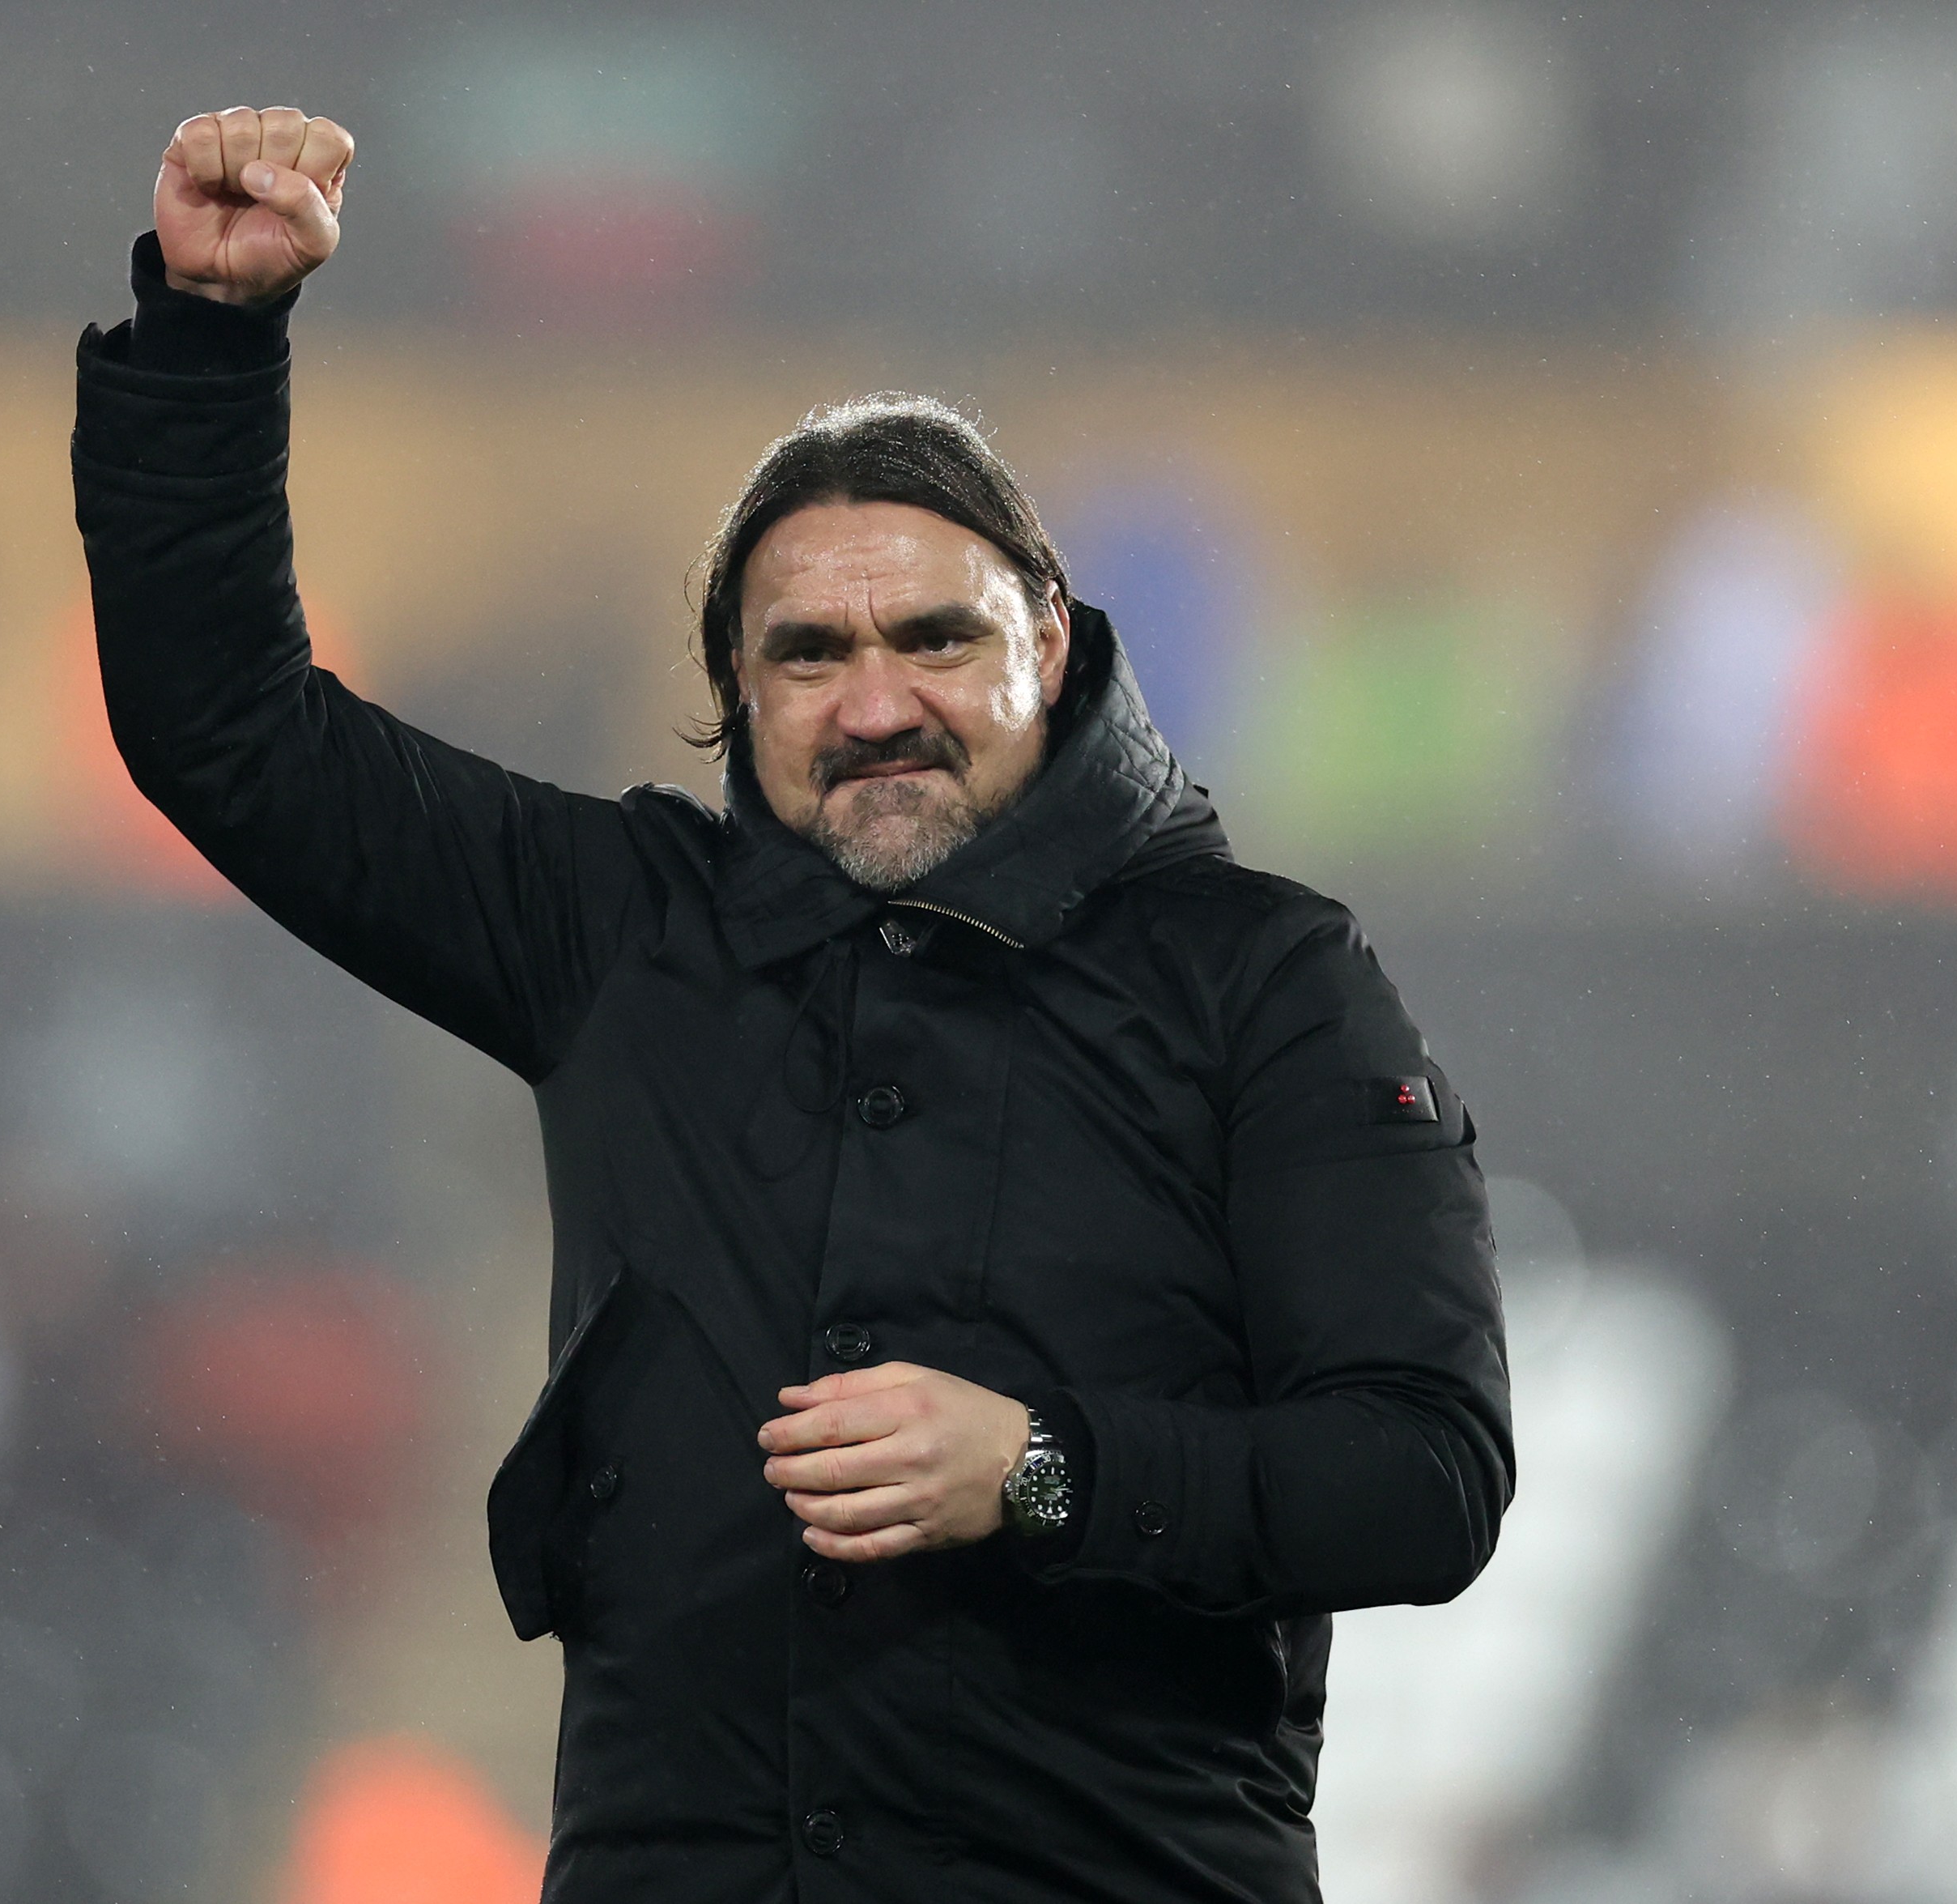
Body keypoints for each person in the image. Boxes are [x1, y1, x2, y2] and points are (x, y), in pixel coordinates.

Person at [73, 105, 1512, 1904]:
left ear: (1051, 646)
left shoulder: (1268, 981)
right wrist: (209, 342)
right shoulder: (620, 937)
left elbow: (1426, 1473)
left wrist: (1048, 1471)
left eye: (937, 640)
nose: (875, 701)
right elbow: (228, 728)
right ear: (735, 698)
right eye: (808, 654)